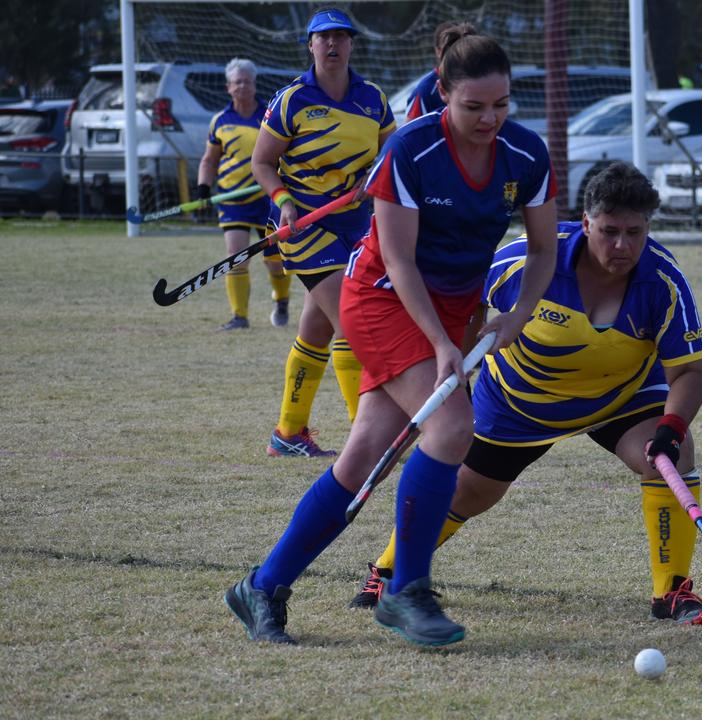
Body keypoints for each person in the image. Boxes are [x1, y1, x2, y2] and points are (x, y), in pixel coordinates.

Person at [225, 25, 559, 647]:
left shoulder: (527, 153)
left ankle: (262, 586)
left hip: (454, 306)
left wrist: (515, 315)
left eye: (502, 104)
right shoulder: (411, 149)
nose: (490, 120)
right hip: (383, 298)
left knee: (363, 456)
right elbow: (400, 263)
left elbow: (543, 249)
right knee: (453, 427)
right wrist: (440, 344)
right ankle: (407, 590)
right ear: (442, 92)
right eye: (473, 106)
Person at [347, 161, 702, 627]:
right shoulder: (521, 261)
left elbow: (690, 372)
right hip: (518, 404)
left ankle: (672, 592)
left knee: (672, 457)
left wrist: (672, 427)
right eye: (609, 231)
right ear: (586, 223)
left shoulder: (663, 281)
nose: (622, 245)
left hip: (620, 397)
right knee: (468, 493)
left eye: (634, 232)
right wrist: (454, 377)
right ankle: (388, 571)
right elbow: (465, 309)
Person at [251, 8, 395, 456]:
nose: (332, 45)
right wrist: (285, 203)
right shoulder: (292, 100)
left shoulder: (373, 99)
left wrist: (371, 180)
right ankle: (366, 437)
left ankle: (288, 434)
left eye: (340, 37)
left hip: (356, 225)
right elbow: (261, 162)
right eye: (323, 38)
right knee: (352, 323)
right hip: (305, 227)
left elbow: (392, 152)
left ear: (351, 44)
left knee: (316, 330)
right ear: (310, 45)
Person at [196, 58, 292, 331]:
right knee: (235, 254)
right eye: (237, 82)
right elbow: (209, 160)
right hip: (232, 198)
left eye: (247, 81)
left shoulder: (269, 116)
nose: (242, 86)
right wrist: (204, 187)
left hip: (267, 198)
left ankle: (282, 299)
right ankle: (239, 317)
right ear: (228, 87)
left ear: (254, 84)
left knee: (274, 261)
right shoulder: (220, 121)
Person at [404, 20, 458, 121]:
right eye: (448, 47)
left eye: (459, 44)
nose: (455, 51)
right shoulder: (426, 89)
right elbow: (410, 130)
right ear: (438, 51)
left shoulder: (479, 81)